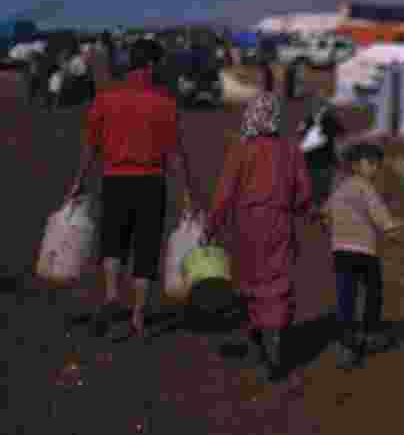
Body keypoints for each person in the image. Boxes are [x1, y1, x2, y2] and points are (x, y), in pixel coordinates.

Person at [66, 38, 198, 339]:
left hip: (114, 180)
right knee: (146, 248)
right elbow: (176, 154)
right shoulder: (164, 102)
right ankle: (138, 315)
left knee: (113, 242)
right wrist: (188, 194)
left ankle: (112, 295)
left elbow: (91, 147)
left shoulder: (106, 98)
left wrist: (78, 182)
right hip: (151, 183)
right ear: (151, 65)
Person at [205, 90, 315, 381]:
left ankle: (261, 342)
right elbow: (303, 193)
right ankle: (275, 341)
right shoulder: (290, 150)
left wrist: (211, 227)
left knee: (251, 280)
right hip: (279, 222)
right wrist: (305, 212)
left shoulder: (241, 150)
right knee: (278, 281)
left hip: (246, 225)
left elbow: (225, 194)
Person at [322, 142, 404, 370]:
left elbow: (325, 213)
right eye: (371, 163)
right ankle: (369, 333)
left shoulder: (340, 189)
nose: (375, 168)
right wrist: (391, 228)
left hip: (340, 251)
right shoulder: (364, 187)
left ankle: (346, 344)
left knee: (345, 295)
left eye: (376, 164)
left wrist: (334, 231)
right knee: (374, 290)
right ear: (356, 165)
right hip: (364, 251)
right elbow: (379, 214)